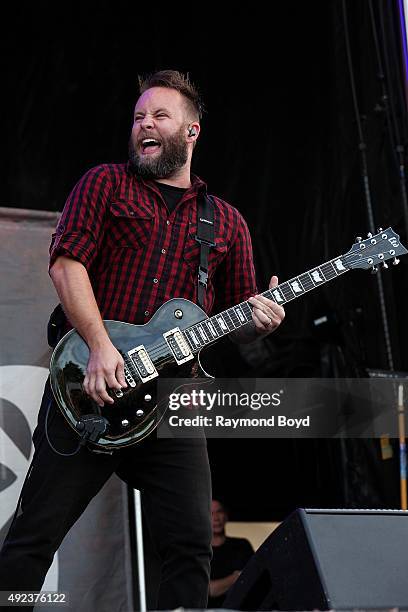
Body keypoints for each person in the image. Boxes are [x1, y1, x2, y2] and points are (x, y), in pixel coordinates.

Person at [0, 70, 285, 609]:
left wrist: (262, 315)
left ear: (191, 132)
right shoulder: (104, 183)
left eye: (159, 116)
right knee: (32, 539)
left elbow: (239, 313)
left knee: (190, 546)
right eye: (138, 117)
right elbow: (66, 266)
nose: (144, 125)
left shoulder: (225, 222)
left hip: (172, 398)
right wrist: (101, 346)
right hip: (88, 382)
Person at [208, 499, 254, 608]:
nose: (216, 518)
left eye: (219, 511)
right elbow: (211, 590)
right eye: (211, 513)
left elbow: (253, 579)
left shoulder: (242, 545)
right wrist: (236, 577)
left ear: (226, 515)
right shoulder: (200, 551)